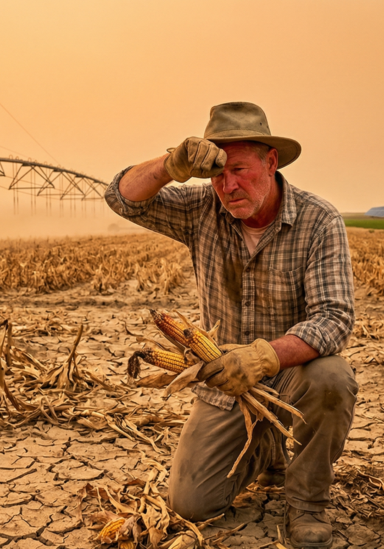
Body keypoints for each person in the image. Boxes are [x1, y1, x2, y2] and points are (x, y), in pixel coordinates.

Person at [105, 102, 358, 548]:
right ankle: (266, 448)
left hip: (292, 374)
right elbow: (121, 198)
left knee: (333, 378)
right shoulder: (201, 209)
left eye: (240, 169)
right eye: (218, 175)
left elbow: (334, 319)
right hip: (226, 382)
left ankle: (306, 502)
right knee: (191, 504)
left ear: (271, 162)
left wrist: (265, 357)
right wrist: (170, 165)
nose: (229, 185)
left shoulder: (319, 221)